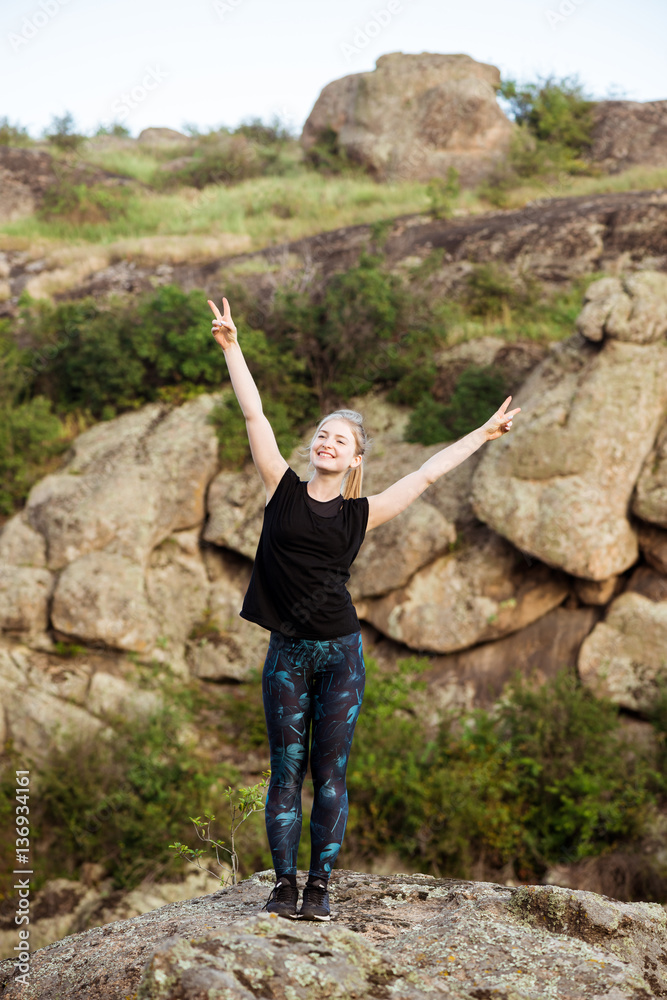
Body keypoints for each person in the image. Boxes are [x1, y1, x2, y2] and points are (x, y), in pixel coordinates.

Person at [208, 295, 520, 921]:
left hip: (342, 654)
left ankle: (320, 887)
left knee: (330, 775)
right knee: (283, 772)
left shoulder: (362, 512)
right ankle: (283, 886)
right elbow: (253, 413)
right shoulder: (282, 488)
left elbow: (429, 474)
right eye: (322, 433)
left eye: (340, 439)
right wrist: (232, 348)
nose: (326, 441)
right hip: (287, 652)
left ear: (355, 460)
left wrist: (482, 435)